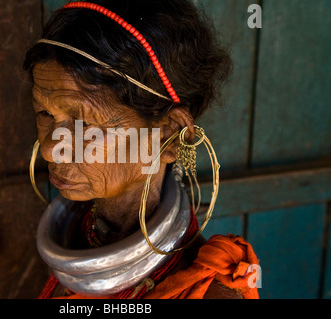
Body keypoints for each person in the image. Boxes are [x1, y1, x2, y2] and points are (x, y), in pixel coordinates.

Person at [23, 0, 259, 299]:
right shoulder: (72, 246)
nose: (49, 149)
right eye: (45, 114)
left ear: (169, 133)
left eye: (84, 123)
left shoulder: (209, 294)